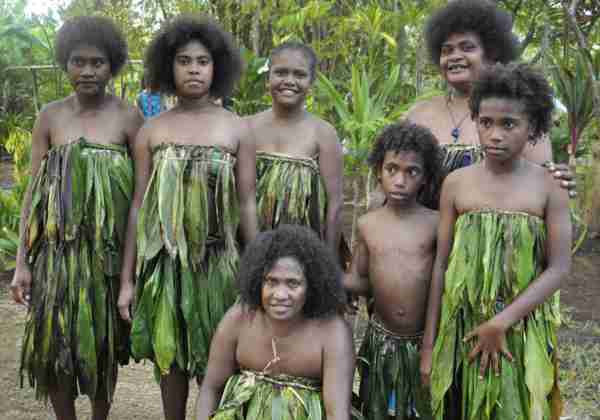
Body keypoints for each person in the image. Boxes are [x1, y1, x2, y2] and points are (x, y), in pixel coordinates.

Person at [117, 15, 258, 420]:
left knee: (220, 359)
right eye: (183, 60)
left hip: (220, 263)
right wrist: (128, 280)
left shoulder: (237, 129)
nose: (194, 68)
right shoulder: (152, 131)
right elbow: (139, 208)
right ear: (168, 66)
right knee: (172, 358)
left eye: (203, 60)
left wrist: (256, 267)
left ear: (218, 68)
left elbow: (246, 202)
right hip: (167, 267)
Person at [9, 15, 143, 420]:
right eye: (78, 61)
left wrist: (127, 276)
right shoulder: (49, 116)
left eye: (97, 62)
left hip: (106, 259)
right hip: (56, 258)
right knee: (54, 350)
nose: (87, 71)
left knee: (102, 350)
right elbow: (33, 193)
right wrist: (22, 263)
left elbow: (139, 199)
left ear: (112, 65)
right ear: (64, 64)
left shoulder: (130, 118)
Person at [420, 63, 571, 420]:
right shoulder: (456, 183)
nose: (495, 135)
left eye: (509, 124)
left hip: (520, 332)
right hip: (462, 331)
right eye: (485, 122)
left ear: (532, 127)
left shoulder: (549, 186)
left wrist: (501, 322)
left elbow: (559, 267)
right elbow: (441, 266)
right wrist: (429, 346)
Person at [405, 0, 575, 208]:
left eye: (467, 47)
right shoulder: (418, 114)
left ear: (492, 53)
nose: (455, 56)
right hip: (423, 237)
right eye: (447, 50)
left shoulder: (519, 113)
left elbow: (538, 184)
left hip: (491, 236)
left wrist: (555, 179)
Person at [196, 225, 354, 420]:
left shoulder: (332, 332)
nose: (280, 295)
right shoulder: (239, 319)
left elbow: (336, 413)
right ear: (257, 282)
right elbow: (211, 388)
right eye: (271, 281)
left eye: (292, 283)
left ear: (311, 286)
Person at [344, 121, 442, 420]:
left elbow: (443, 280)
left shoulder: (436, 223)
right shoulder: (367, 224)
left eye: (411, 172)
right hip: (380, 344)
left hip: (424, 342)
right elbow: (361, 280)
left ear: (425, 178)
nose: (400, 180)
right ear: (379, 171)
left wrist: (430, 346)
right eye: (392, 169)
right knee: (379, 410)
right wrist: (325, 276)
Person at [246, 42, 347, 262]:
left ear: (311, 82)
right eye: (281, 72)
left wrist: (327, 264)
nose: (289, 81)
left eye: (299, 74)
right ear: (268, 78)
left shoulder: (323, 133)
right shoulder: (246, 128)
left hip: (304, 256)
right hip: (248, 250)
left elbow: (335, 205)